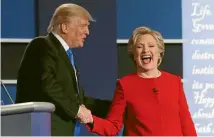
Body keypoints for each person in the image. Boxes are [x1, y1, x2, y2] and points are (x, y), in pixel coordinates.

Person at [80, 26, 197, 136]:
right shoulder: (125, 84)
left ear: (159, 52)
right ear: (134, 55)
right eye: (139, 47)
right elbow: (113, 126)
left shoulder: (174, 82)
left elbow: (186, 124)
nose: (146, 50)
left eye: (151, 46)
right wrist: (90, 120)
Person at [15, 3, 110, 136]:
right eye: (83, 26)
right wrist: (77, 110)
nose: (87, 32)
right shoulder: (42, 45)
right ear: (64, 27)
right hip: (44, 131)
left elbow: (76, 100)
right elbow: (48, 86)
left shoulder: (66, 56)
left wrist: (116, 107)